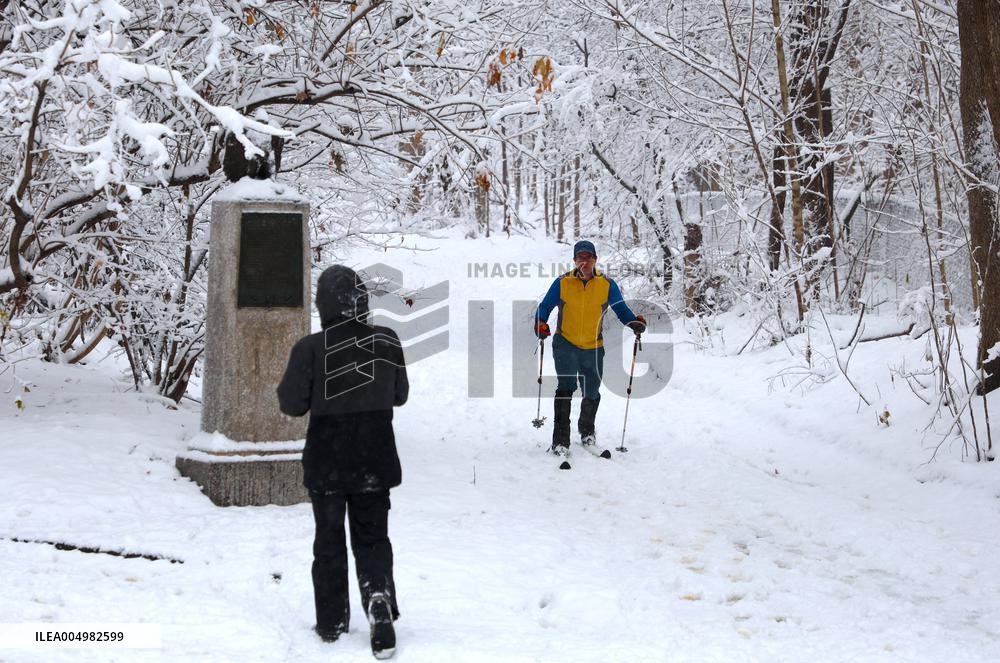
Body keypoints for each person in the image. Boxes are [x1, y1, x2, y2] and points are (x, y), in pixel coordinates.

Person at [277, 265, 407, 660]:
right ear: (361, 299)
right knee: (372, 538)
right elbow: (399, 395)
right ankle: (378, 596)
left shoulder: (310, 348)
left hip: (328, 463)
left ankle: (332, 621)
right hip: (374, 457)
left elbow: (292, 403)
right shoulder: (386, 341)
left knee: (329, 542)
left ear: (323, 303)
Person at [534, 240, 645, 455]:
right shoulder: (562, 282)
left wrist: (634, 323)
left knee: (592, 391)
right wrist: (540, 323)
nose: (584, 261)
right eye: (580, 258)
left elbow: (621, 309)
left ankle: (587, 433)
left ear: (595, 259)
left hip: (593, 347)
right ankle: (560, 441)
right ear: (574, 260)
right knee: (565, 389)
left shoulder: (607, 285)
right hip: (565, 344)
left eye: (588, 257)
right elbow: (545, 306)